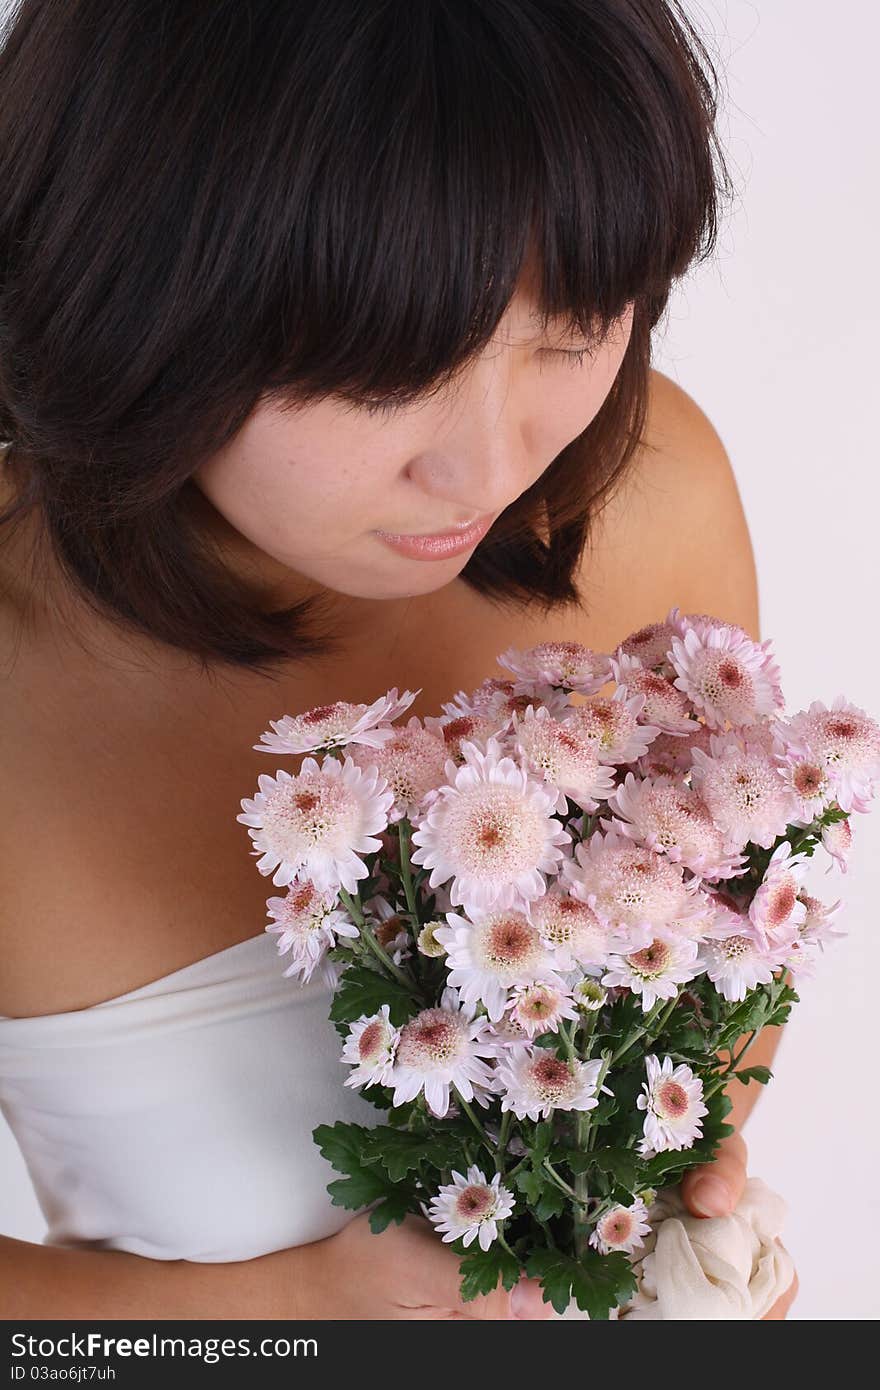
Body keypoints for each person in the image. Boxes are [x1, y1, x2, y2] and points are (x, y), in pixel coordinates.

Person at [0, 0, 797, 1320]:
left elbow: (733, 978)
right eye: (381, 375)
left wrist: (689, 1229)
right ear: (135, 296)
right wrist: (292, 1314)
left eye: (575, 319)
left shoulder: (654, 501)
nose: (487, 467)